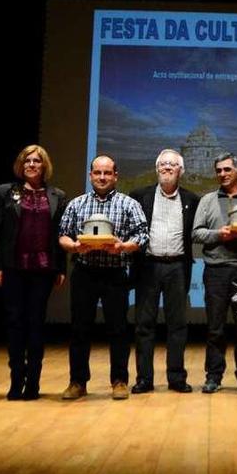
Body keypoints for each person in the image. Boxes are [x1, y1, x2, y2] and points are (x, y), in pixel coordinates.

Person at [58, 154, 148, 400]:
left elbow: (142, 236)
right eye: (97, 172)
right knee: (79, 329)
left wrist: (123, 246)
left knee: (118, 330)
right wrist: (75, 246)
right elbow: (63, 236)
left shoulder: (129, 204)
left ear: (116, 176)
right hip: (84, 272)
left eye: (107, 173)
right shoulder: (76, 204)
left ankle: (119, 381)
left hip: (115, 273)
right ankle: (77, 382)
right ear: (90, 175)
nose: (102, 177)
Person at [0, 145, 67, 400]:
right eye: (27, 161)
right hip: (13, 268)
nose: (32, 165)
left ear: (45, 166)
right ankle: (15, 380)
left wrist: (61, 267)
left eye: (37, 161)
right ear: (21, 165)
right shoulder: (5, 192)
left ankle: (33, 382)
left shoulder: (57, 195)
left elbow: (61, 235)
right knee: (14, 324)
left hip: (43, 269)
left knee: (35, 325)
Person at [192, 152, 237, 394]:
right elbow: (196, 233)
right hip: (215, 271)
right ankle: (213, 377)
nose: (222, 174)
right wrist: (218, 234)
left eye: (227, 169)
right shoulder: (207, 200)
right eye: (219, 171)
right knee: (215, 328)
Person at [129, 149, 199, 394]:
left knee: (177, 325)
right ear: (156, 168)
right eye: (163, 164)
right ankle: (144, 379)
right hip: (147, 265)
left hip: (178, 267)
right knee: (144, 325)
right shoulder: (139, 196)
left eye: (173, 164)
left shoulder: (192, 199)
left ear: (181, 170)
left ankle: (176, 377)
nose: (167, 167)